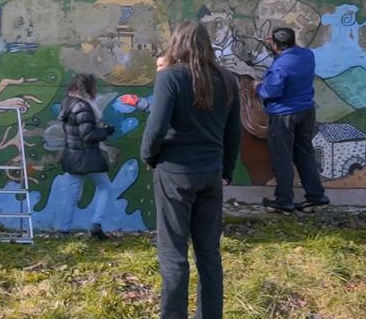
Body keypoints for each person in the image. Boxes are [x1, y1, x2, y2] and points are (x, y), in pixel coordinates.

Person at [141, 21, 241, 319]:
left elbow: (156, 127)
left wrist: (149, 157)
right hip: (211, 173)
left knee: (173, 253)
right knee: (209, 253)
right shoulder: (228, 79)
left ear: (177, 44)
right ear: (208, 45)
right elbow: (234, 132)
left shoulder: (170, 77)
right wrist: (227, 169)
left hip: (174, 171)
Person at [257, 27, 329, 213]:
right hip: (306, 111)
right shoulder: (307, 55)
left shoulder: (279, 67)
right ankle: (315, 196)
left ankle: (283, 200)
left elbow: (271, 91)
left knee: (282, 157)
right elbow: (292, 53)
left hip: (284, 116)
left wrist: (258, 87)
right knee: (304, 153)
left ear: (275, 44)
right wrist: (275, 45)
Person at [55, 73, 116, 240]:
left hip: (72, 156)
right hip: (87, 157)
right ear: (88, 88)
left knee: (72, 194)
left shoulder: (68, 104)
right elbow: (88, 135)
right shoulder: (83, 107)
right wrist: (106, 132)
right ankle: (96, 224)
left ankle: (63, 229)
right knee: (105, 187)